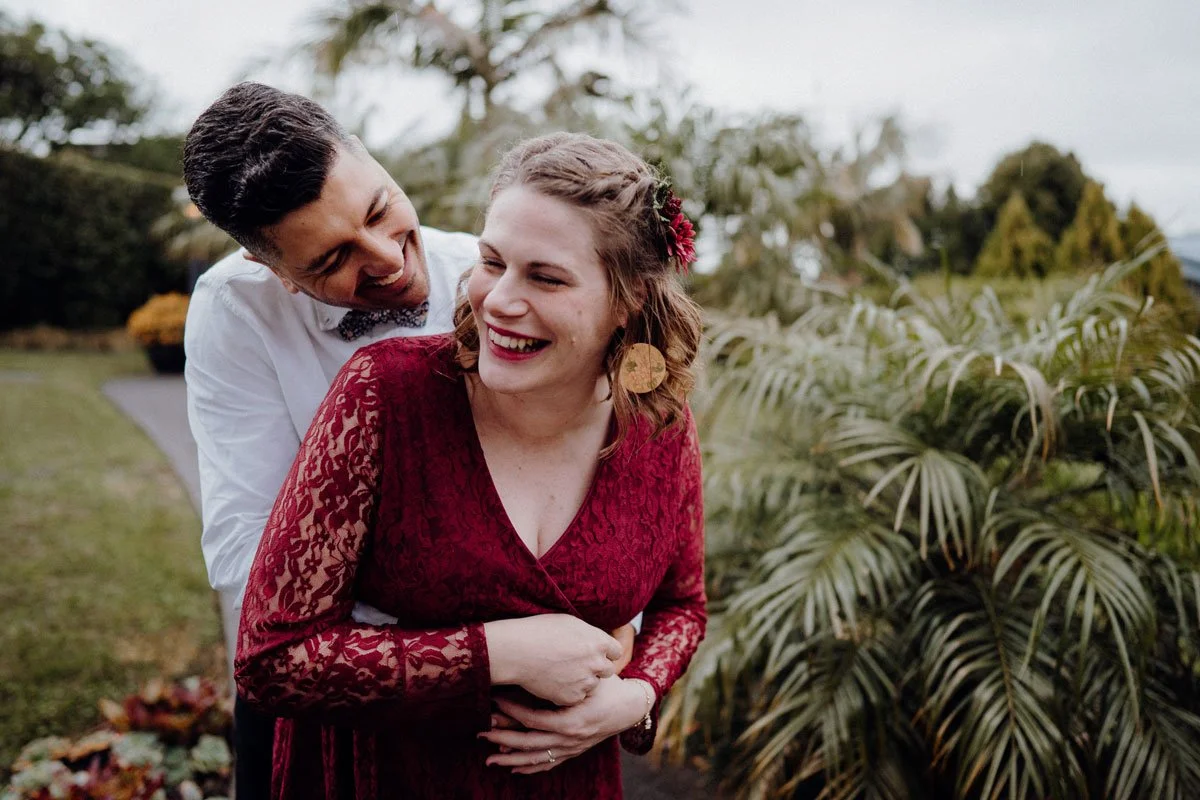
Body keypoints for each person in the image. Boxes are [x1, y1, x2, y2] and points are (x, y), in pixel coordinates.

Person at [181, 84, 636, 799]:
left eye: (378, 209)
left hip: (535, 716)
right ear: (274, 273)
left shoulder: (496, 280)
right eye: (332, 260)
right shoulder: (234, 313)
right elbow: (251, 559)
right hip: (336, 712)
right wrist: (477, 652)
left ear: (371, 157)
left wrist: (624, 668)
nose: (388, 261)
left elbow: (604, 474)